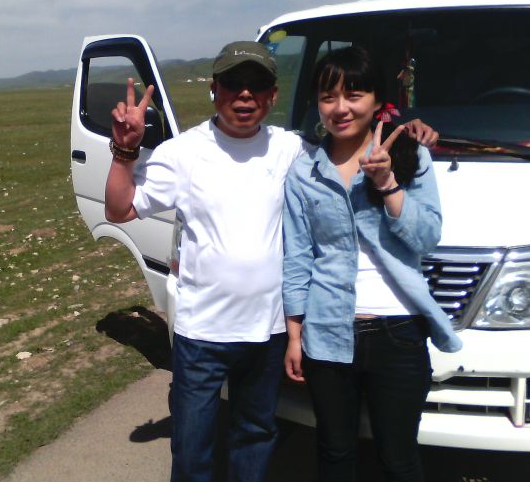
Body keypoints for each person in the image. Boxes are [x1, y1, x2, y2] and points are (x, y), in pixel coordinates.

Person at [105, 40, 438, 482]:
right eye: (233, 84)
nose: (245, 94)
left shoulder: (292, 149)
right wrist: (124, 150)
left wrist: (406, 130)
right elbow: (120, 209)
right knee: (192, 446)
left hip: (268, 331)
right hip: (201, 332)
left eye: (257, 84)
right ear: (214, 89)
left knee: (256, 435)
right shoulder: (181, 152)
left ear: (273, 95)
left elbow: (350, 137)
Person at [282, 45, 463, 482]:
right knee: (334, 451)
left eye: (354, 94)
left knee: (398, 458)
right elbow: (297, 258)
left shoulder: (411, 156)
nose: (340, 108)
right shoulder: (304, 172)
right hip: (327, 332)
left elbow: (427, 237)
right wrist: (295, 336)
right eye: (328, 97)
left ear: (377, 100)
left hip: (398, 333)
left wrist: (387, 183)